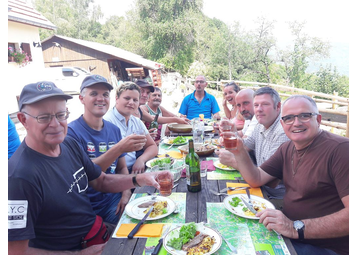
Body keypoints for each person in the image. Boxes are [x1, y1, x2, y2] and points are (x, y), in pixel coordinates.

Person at [8, 81, 172, 254]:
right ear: (23, 120)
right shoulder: (19, 177)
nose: (55, 124)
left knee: (164, 229)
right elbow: (14, 251)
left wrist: (141, 179)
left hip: (96, 233)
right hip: (74, 249)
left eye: (61, 115)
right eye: (44, 117)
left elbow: (101, 181)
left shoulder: (68, 144)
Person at [217, 95, 349, 255]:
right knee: (228, 239)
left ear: (318, 119)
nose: (296, 122)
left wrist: (294, 228)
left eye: (305, 116)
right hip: (288, 234)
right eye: (288, 118)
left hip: (324, 247)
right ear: (282, 123)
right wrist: (239, 151)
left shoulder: (341, 150)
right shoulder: (287, 148)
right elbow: (256, 179)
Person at [67, 75, 145, 224]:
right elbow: (87, 175)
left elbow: (122, 167)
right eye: (94, 93)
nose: (101, 98)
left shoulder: (113, 129)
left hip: (113, 198)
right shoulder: (71, 132)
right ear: (81, 99)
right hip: (88, 207)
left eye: (105, 94)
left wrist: (126, 193)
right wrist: (119, 148)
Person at [104, 82, 158, 174]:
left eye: (135, 100)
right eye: (127, 98)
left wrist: (141, 160)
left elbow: (152, 146)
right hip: (115, 173)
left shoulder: (136, 121)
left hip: (135, 168)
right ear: (117, 98)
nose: (131, 103)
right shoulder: (107, 121)